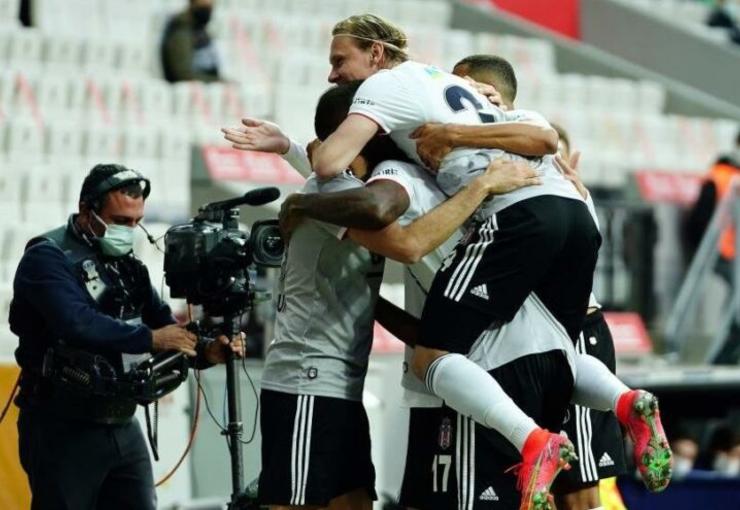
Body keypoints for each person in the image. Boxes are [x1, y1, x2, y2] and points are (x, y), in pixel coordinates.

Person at [256, 82, 535, 510]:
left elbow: (370, 296)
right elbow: (408, 244)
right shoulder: (335, 192)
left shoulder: (341, 190)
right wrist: (481, 186)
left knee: (355, 503)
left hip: (339, 385)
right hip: (306, 380)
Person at [9, 164, 243, 510]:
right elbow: (78, 323)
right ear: (86, 211)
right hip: (61, 426)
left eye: (136, 222)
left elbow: (167, 327)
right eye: (120, 221)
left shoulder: (129, 267)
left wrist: (208, 352)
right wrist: (150, 339)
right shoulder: (46, 257)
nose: (129, 231)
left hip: (122, 422)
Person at [685, 129, 740, 363]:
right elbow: (698, 220)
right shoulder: (721, 177)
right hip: (724, 252)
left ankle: (726, 352)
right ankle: (723, 354)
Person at [160, 0, 220, 83]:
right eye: (204, 5)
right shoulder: (181, 30)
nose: (208, 8)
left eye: (210, 5)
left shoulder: (200, 29)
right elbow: (183, 74)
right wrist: (217, 81)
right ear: (192, 3)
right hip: (188, 88)